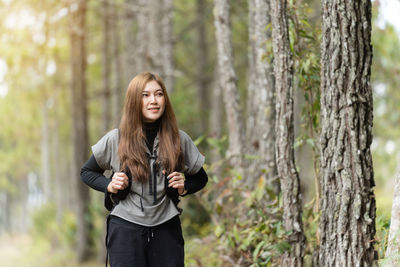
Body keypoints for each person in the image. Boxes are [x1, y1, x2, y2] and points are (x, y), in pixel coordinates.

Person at [80, 72, 208, 267]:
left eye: (159, 94)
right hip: (125, 230)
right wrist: (109, 185)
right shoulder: (116, 138)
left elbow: (201, 177)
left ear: (165, 99)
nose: (153, 101)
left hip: (166, 228)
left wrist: (184, 187)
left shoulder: (179, 139)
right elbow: (87, 172)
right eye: (145, 95)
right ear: (134, 101)